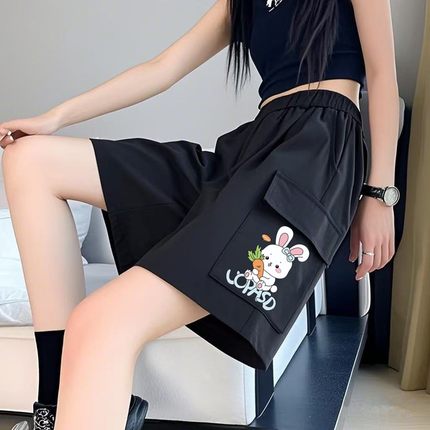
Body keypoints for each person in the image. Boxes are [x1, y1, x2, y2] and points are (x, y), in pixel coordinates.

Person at [0, 0, 400, 429]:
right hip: (250, 152)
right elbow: (162, 68)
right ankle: (54, 406)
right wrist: (55, 117)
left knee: (99, 321)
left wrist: (379, 195)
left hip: (313, 157)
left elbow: (382, 77)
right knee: (29, 160)